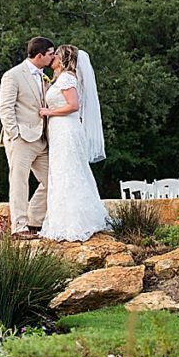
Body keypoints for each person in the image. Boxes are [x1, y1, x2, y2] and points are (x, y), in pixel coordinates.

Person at [37, 44, 110, 242]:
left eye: (55, 55)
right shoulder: (58, 79)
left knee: (69, 171)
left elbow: (73, 105)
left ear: (62, 59)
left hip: (66, 129)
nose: (52, 58)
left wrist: (48, 112)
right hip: (58, 130)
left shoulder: (68, 78)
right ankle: (60, 220)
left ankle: (75, 222)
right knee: (61, 172)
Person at [0, 37, 54, 239]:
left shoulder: (44, 76)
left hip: (41, 139)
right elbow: (5, 107)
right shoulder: (13, 75)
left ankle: (34, 220)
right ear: (40, 55)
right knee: (19, 182)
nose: (53, 57)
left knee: (54, 180)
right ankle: (19, 228)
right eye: (50, 53)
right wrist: (15, 134)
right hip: (21, 138)